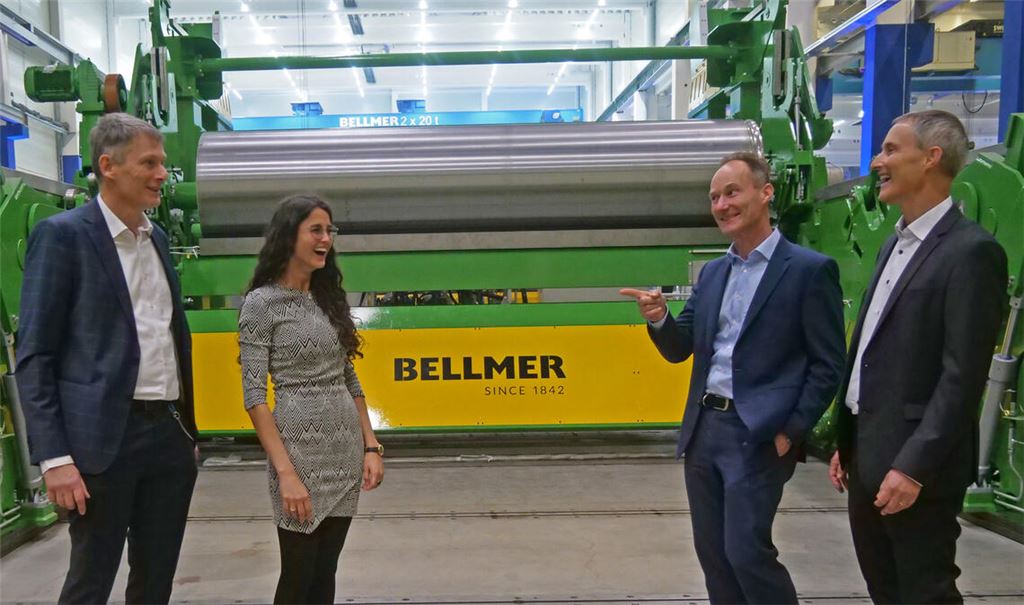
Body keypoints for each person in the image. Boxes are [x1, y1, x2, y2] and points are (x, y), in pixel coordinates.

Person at [621, 151, 846, 604]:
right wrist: (660, 318)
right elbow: (680, 348)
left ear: (765, 193)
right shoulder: (713, 273)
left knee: (747, 553)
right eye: (714, 197)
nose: (722, 205)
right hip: (705, 430)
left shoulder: (808, 270)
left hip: (758, 434)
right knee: (714, 556)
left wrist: (790, 431)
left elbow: (828, 364)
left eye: (731, 192)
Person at [16, 112, 198, 604]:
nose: (162, 174)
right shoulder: (64, 237)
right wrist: (55, 458)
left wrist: (186, 431)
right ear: (108, 166)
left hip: (167, 437)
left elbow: (168, 338)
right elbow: (36, 354)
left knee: (155, 581)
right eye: (149, 163)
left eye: (162, 163)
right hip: (101, 443)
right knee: (90, 583)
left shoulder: (157, 240)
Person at [828, 110, 1008, 604]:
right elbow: (875, 350)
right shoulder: (894, 244)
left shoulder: (971, 252)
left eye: (890, 149)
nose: (877, 161)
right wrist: (849, 438)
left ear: (931, 158)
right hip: (869, 452)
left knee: (925, 592)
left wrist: (913, 467)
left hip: (916, 466)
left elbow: (961, 377)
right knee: (885, 590)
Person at [238, 194, 384, 605]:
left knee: (325, 575)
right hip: (298, 458)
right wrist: (285, 473)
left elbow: (348, 376)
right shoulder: (261, 304)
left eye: (329, 230)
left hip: (344, 454)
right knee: (297, 576)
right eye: (315, 230)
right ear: (289, 236)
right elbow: (254, 396)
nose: (326, 239)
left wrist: (370, 445)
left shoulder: (326, 297)